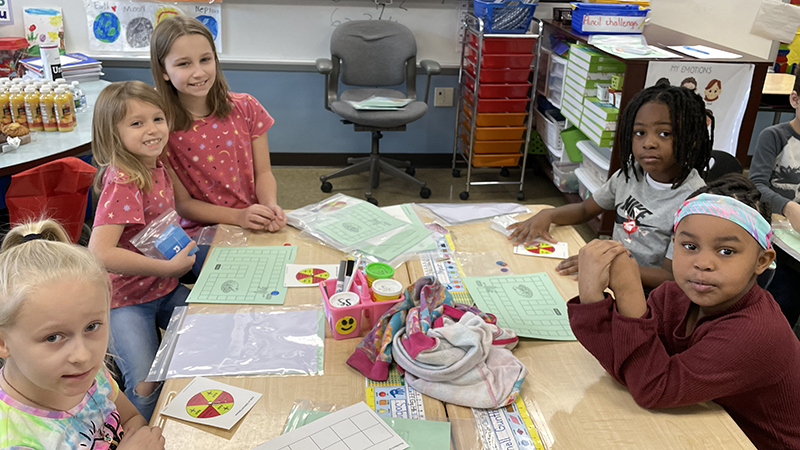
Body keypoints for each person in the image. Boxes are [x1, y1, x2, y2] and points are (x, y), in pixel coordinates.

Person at [569, 191, 800, 450]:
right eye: (689, 246)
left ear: (761, 261)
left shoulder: (756, 331)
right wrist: (590, 295)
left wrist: (628, 291)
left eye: (726, 251)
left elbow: (652, 387)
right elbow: (631, 362)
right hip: (709, 425)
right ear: (673, 244)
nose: (702, 263)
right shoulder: (673, 296)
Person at [508, 81, 711, 290]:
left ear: (692, 138)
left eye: (664, 134)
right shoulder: (630, 174)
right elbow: (585, 209)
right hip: (613, 279)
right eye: (639, 133)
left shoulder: (694, 203)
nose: (648, 143)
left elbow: (670, 277)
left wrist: (610, 265)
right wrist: (548, 215)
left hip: (650, 297)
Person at [0, 220, 166, 449]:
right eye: (53, 337)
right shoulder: (14, 438)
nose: (83, 355)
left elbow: (132, 419)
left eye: (92, 327)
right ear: (2, 342)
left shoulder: (89, 375)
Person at [88, 81, 196, 421]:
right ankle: (141, 434)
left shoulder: (157, 165)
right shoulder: (124, 180)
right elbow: (99, 253)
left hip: (162, 289)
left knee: (212, 334)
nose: (152, 130)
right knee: (146, 385)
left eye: (158, 119)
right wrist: (170, 269)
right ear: (113, 133)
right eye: (137, 124)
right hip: (125, 301)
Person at [149, 15, 285, 275]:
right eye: (184, 64)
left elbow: (264, 173)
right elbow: (183, 205)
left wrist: (269, 206)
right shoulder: (159, 127)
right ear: (164, 71)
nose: (198, 72)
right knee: (246, 277)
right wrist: (239, 217)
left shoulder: (246, 107)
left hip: (252, 220)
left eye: (205, 59)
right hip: (198, 233)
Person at [749, 74, 800, 328]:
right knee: (781, 303)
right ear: (795, 99)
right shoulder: (775, 137)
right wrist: (788, 207)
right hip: (779, 240)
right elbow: (756, 185)